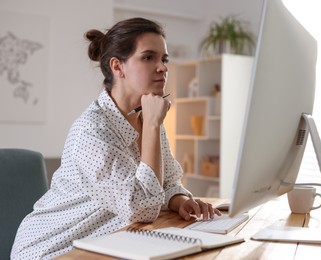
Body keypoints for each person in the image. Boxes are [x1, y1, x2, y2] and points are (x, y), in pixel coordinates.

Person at [11, 17, 221, 259]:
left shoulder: (148, 116)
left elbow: (168, 181)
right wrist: (153, 125)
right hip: (54, 249)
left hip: (106, 245)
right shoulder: (90, 131)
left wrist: (180, 199)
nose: (162, 67)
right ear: (118, 67)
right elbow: (142, 208)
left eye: (164, 59)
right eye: (148, 57)